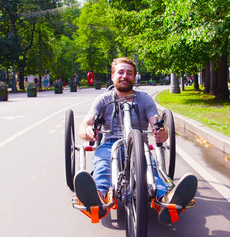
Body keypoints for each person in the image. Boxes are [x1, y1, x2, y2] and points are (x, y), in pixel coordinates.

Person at [74, 57, 198, 224]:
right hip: (110, 144)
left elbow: (157, 124)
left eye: (129, 73)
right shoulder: (103, 100)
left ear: (134, 77)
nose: (125, 76)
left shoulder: (144, 99)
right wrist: (87, 131)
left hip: (139, 146)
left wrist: (161, 132)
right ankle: (98, 198)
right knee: (103, 166)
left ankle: (165, 200)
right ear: (113, 76)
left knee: (150, 170)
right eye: (121, 72)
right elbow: (85, 125)